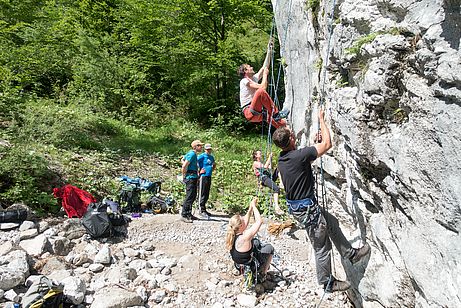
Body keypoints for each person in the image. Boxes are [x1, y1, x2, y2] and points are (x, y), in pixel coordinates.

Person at [272, 108, 371, 293]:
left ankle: (351, 254)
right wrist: (321, 119)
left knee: (331, 223)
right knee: (321, 246)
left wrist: (312, 146)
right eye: (293, 136)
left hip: (302, 209)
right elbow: (327, 144)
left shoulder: (283, 158)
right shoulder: (299, 156)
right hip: (307, 210)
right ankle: (327, 283)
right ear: (292, 140)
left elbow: (303, 158)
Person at [238, 41, 289, 129]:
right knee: (260, 92)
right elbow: (262, 87)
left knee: (269, 117)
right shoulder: (244, 81)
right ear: (245, 71)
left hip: (254, 112)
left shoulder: (253, 78)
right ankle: (276, 114)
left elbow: (264, 67)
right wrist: (265, 75)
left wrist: (269, 51)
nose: (252, 67)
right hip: (249, 111)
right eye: (249, 67)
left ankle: (285, 128)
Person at [226, 197, 274, 280]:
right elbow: (259, 221)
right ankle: (263, 274)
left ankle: (240, 270)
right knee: (270, 248)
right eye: (243, 221)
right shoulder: (245, 236)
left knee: (255, 242)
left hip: (238, 265)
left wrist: (250, 208)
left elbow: (246, 220)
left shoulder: (232, 233)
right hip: (249, 267)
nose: (245, 220)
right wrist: (255, 207)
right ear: (241, 226)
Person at [252, 150, 283, 215]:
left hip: (268, 177)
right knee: (276, 189)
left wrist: (270, 161)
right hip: (264, 178)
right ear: (256, 156)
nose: (261, 154)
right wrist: (269, 157)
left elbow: (269, 168)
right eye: (259, 153)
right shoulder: (255, 163)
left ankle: (281, 182)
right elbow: (265, 167)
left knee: (278, 168)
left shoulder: (261, 162)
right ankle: (277, 207)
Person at [180, 139, 204, 223]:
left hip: (193, 177)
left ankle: (188, 213)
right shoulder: (192, 154)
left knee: (193, 196)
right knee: (190, 196)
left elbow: (182, 160)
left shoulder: (191, 153)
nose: (201, 147)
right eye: (200, 145)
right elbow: (184, 165)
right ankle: (184, 214)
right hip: (190, 177)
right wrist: (184, 176)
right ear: (195, 146)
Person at [197, 143, 216, 219]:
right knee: (202, 193)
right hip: (203, 176)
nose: (209, 150)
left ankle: (204, 208)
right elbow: (194, 162)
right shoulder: (201, 156)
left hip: (208, 176)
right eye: (207, 149)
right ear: (205, 149)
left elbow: (214, 164)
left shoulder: (211, 157)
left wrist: (212, 169)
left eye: (210, 149)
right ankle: (200, 210)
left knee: (206, 193)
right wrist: (199, 171)